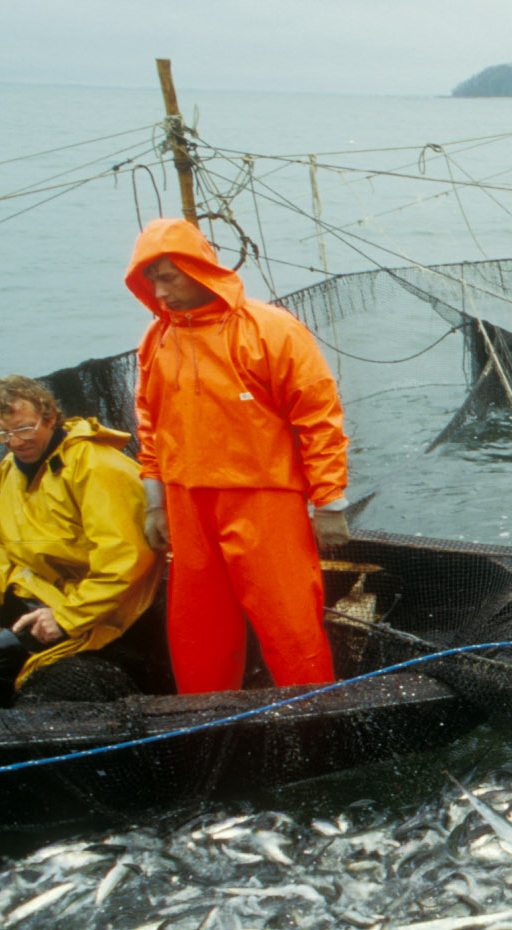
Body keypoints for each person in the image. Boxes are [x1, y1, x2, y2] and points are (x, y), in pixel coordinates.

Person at [126, 217, 351, 693]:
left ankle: (314, 723)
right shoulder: (156, 338)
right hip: (188, 504)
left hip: (265, 502)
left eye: (169, 276)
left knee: (290, 625)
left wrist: (329, 503)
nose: (160, 291)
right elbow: (150, 423)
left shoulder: (270, 328)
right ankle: (207, 730)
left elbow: (318, 416)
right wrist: (155, 500)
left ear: (199, 269)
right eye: (151, 280)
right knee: (197, 630)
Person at [0, 376, 158, 707]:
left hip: (93, 608)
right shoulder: (10, 468)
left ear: (49, 417)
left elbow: (126, 561)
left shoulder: (96, 465)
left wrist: (65, 617)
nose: (15, 442)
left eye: (24, 429)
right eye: (1, 433)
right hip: (33, 588)